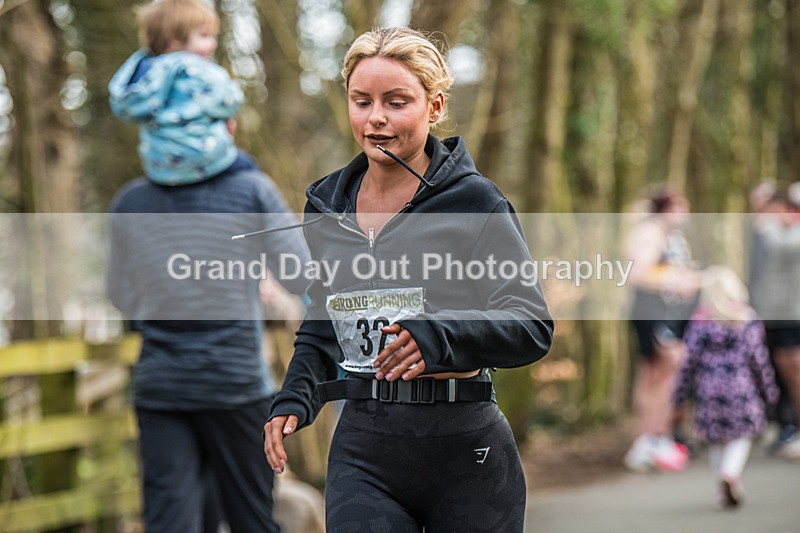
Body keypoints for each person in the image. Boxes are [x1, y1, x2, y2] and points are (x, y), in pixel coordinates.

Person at [262, 27, 553, 532]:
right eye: (362, 101)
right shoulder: (326, 207)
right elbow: (325, 316)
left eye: (396, 102)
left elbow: (531, 325)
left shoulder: (475, 202)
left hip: (468, 453)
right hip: (364, 452)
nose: (376, 117)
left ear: (434, 106)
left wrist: (438, 335)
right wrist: (296, 395)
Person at [106, 2, 311, 532]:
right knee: (251, 519)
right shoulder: (250, 191)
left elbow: (122, 296)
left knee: (170, 521)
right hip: (236, 385)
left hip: (161, 388)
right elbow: (300, 272)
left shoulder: (130, 203)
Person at [672, 266, 779, 508]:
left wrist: (679, 394)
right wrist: (769, 392)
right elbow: (759, 360)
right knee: (741, 437)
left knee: (717, 439)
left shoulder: (700, 321)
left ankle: (725, 486)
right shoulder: (746, 318)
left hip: (708, 390)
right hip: (741, 389)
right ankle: (730, 475)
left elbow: (687, 362)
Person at [108, 0, 243, 186]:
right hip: (205, 159)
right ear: (175, 39)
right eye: (204, 35)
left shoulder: (143, 74)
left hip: (159, 169)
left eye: (214, 36)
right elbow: (230, 99)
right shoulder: (193, 68)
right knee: (249, 169)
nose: (213, 43)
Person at [624, 188, 702, 472]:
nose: (685, 212)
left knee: (660, 373)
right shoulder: (648, 233)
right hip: (651, 312)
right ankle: (647, 438)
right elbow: (638, 273)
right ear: (666, 208)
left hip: (671, 313)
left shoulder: (674, 237)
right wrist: (675, 280)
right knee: (661, 370)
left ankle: (657, 436)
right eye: (680, 206)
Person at [751, 183, 800, 461]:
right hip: (779, 313)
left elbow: (782, 247)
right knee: (787, 371)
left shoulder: (787, 233)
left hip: (793, 313)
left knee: (795, 371)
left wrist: (768, 226)